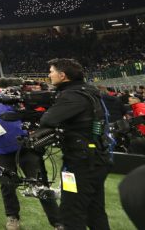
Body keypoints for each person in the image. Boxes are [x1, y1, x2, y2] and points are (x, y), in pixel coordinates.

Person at [0, 78, 60, 230]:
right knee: (7, 186)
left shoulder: (4, 99)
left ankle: (57, 222)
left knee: (40, 184)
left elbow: (28, 112)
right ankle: (12, 218)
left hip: (25, 147)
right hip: (2, 152)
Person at [39, 59, 111, 230]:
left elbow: (47, 119)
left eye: (51, 71)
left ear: (62, 75)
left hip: (80, 162)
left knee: (71, 212)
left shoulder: (73, 95)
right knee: (95, 211)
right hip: (95, 158)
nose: (49, 75)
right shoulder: (88, 91)